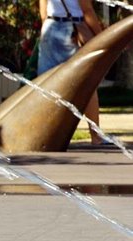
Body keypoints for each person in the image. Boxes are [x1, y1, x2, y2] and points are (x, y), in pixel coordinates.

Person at [37, 0, 103, 145]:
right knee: (87, 83)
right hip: (72, 30)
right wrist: (101, 36)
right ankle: (96, 135)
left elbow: (43, 8)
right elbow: (87, 10)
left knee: (46, 84)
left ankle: (45, 137)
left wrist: (46, 28)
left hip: (50, 26)